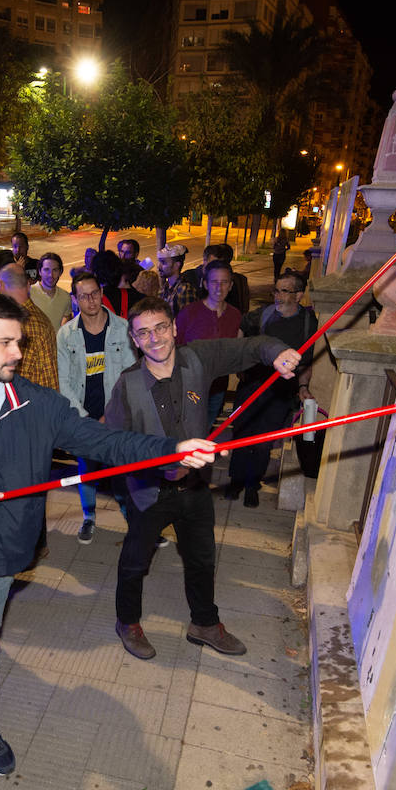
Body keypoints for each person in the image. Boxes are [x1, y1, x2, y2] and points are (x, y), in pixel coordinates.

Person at [0, 294, 215, 775]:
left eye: (20, 341)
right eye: (6, 342)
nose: (18, 352)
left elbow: (106, 440)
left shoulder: (38, 405)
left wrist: (170, 449)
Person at [106, 297, 303, 661]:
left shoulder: (197, 358)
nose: (155, 339)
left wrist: (277, 352)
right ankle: (128, 621)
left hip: (195, 487)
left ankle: (204, 623)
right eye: (144, 333)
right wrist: (159, 465)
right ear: (134, 340)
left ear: (174, 328)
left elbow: (250, 346)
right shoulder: (127, 385)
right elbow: (117, 446)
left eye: (161, 327)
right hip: (149, 491)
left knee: (201, 557)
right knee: (135, 560)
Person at [57, 270, 137, 543]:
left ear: (101, 293)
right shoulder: (66, 334)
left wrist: (110, 414)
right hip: (84, 417)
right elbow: (63, 381)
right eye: (83, 296)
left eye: (94, 294)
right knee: (87, 470)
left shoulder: (123, 328)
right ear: (75, 299)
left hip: (115, 415)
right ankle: (89, 518)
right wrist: (84, 418)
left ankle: (135, 521)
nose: (90, 301)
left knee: (122, 470)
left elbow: (129, 375)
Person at [225, 269, 317, 506]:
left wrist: (303, 386)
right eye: (277, 290)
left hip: (280, 392)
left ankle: (252, 485)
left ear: (298, 296)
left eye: (284, 291)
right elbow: (241, 328)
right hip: (251, 385)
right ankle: (235, 480)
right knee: (242, 431)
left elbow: (309, 360)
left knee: (264, 439)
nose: (277, 296)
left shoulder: (307, 323)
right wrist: (239, 360)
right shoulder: (262, 315)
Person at [174, 259, 244, 426]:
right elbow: (174, 348)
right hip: (190, 387)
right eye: (214, 282)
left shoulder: (235, 316)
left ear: (231, 285)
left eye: (224, 282)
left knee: (205, 430)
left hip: (218, 387)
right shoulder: (189, 313)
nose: (219, 288)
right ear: (205, 284)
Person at [0, 262, 59, 390]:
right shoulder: (41, 322)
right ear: (28, 285)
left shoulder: (12, 324)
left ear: (1, 285)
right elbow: (50, 380)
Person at [29, 251, 72, 327]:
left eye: (55, 270)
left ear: (60, 272)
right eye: (46, 270)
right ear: (39, 271)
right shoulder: (28, 293)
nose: (50, 275)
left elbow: (67, 318)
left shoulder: (65, 297)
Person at [157, 243, 197, 316]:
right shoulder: (164, 288)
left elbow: (189, 321)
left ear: (176, 265)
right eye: (159, 262)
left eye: (163, 262)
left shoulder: (185, 290)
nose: (159, 267)